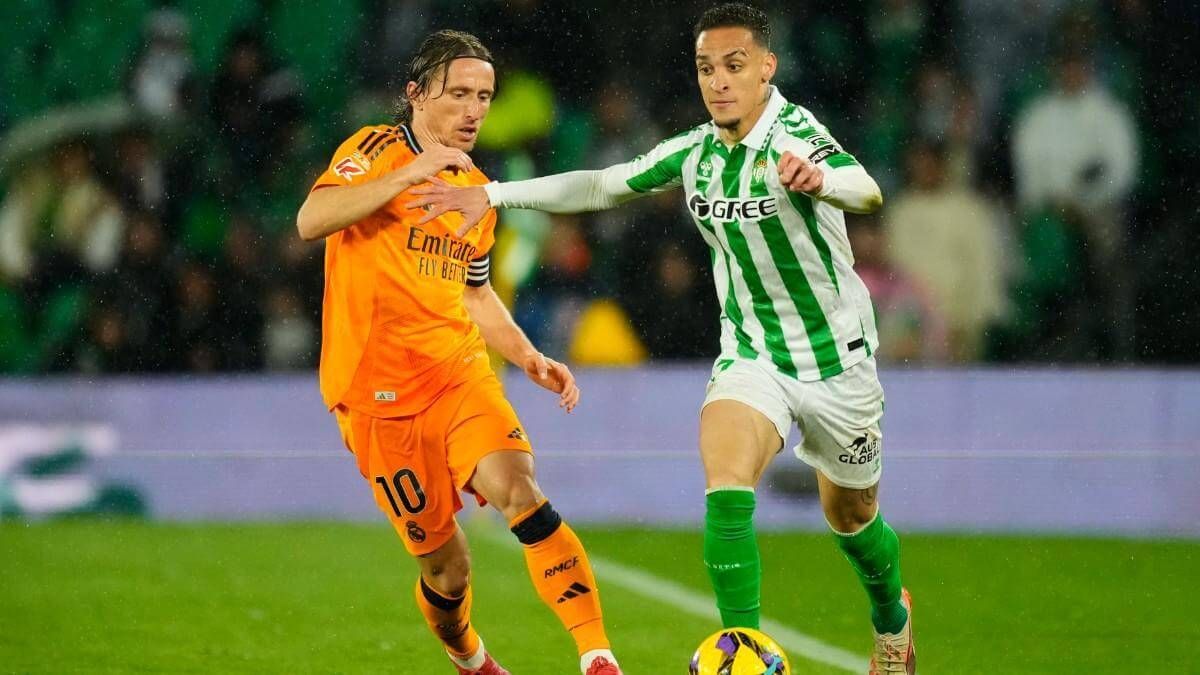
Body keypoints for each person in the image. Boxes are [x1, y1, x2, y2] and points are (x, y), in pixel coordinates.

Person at [410, 6, 915, 673]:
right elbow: (600, 184)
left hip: (836, 361)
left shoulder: (797, 137)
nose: (719, 82)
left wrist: (822, 180)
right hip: (752, 354)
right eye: (707, 68)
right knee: (726, 483)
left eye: (735, 66)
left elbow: (868, 189)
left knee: (852, 519)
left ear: (767, 67)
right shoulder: (697, 153)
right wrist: (496, 194)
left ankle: (892, 619)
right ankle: (745, 654)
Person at [294, 30, 622, 675]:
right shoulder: (374, 149)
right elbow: (311, 220)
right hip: (377, 398)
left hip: (457, 374)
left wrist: (528, 356)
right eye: (460, 95)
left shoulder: (476, 191)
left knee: (521, 490)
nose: (474, 111)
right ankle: (468, 656)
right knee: (447, 569)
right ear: (415, 95)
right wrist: (408, 174)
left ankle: (596, 656)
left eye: (485, 97)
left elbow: (475, 295)